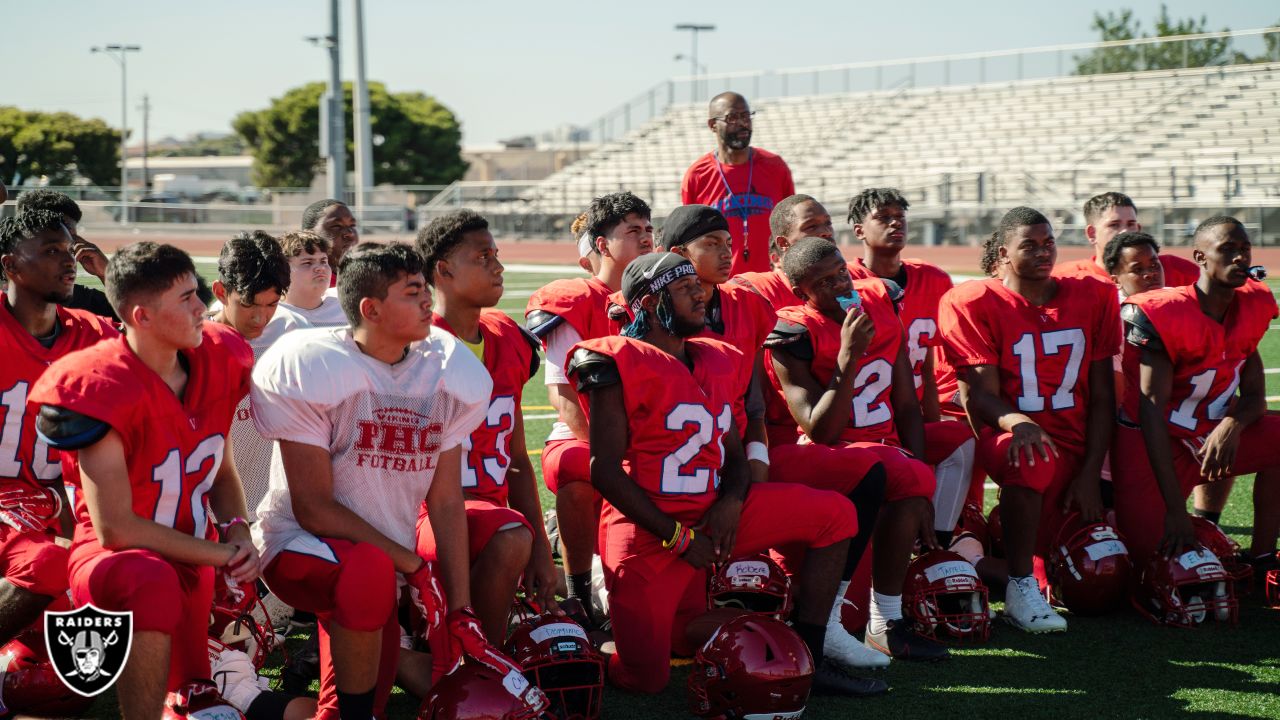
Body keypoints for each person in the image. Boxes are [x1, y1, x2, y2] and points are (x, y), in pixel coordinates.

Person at [568, 251, 883, 697]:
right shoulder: (617, 361)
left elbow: (733, 453)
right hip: (649, 532)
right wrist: (679, 538)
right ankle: (593, 638)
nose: (699, 294)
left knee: (836, 514)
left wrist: (732, 503)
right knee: (647, 680)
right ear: (653, 304)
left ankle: (811, 649)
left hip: (713, 514)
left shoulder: (719, 356)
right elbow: (603, 472)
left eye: (696, 285)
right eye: (683, 289)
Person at [251, 243, 517, 720]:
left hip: (380, 568)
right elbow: (314, 508)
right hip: (299, 545)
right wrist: (411, 564)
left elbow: (446, 500)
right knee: (369, 571)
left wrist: (460, 608)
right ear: (371, 309)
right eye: (413, 293)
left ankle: (249, 707)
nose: (427, 304)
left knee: (352, 702)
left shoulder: (444, 369)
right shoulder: (314, 365)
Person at [31, 242, 258, 718]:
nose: (203, 309)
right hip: (118, 561)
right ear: (142, 316)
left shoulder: (221, 358)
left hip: (193, 556)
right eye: (185, 299)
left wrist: (237, 529)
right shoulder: (98, 384)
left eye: (197, 294)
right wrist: (221, 555)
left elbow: (222, 468)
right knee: (149, 577)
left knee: (198, 702)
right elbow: (118, 529)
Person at [939, 207, 1119, 633]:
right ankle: (1019, 587)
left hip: (1076, 443)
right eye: (1030, 245)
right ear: (1004, 252)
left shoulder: (1093, 294)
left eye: (1049, 242)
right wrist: (1018, 422)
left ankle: (982, 556)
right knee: (1031, 459)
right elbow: (980, 396)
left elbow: (1102, 395)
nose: (1043, 252)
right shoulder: (973, 301)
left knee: (1107, 574)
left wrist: (1092, 472)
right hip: (1013, 438)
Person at [766, 237, 946, 662]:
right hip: (829, 455)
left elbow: (906, 403)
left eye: (841, 274)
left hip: (884, 451)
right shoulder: (794, 331)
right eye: (824, 283)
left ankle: (886, 621)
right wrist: (848, 358)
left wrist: (922, 484)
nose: (839, 286)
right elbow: (820, 429)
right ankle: (831, 624)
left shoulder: (881, 301)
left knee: (918, 472)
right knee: (888, 469)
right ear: (801, 293)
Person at [413, 209, 558, 648]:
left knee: (512, 532)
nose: (498, 266)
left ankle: (463, 645)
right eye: (483, 256)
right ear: (444, 270)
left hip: (491, 517)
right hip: (422, 515)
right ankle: (482, 662)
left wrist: (539, 549)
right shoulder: (415, 345)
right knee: (510, 533)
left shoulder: (507, 339)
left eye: (496, 254)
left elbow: (515, 461)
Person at [1112, 216, 1280, 569]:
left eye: (1244, 250)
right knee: (1146, 557)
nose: (1239, 258)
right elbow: (1151, 413)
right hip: (1154, 443)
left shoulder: (1252, 303)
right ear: (1200, 257)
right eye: (1227, 250)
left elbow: (1254, 397)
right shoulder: (1164, 312)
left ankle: (1262, 557)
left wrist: (1230, 426)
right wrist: (1176, 510)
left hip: (1208, 434)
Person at [525, 192, 651, 619]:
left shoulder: (659, 292)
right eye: (633, 230)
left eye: (649, 228)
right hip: (590, 435)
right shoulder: (576, 299)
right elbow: (564, 399)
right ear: (601, 244)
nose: (646, 237)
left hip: (653, 429)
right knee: (578, 467)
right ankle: (578, 589)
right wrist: (618, 453)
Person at [0, 211, 117, 648]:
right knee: (50, 565)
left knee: (70, 678)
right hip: (6, 496)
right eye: (51, 251)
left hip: (66, 501)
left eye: (69, 250)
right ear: (10, 265)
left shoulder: (94, 333)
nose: (67, 261)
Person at [846, 188, 975, 536]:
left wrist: (930, 421)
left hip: (912, 414)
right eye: (883, 217)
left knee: (959, 440)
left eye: (900, 217)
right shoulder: (843, 283)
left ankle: (941, 541)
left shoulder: (933, 280)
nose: (894, 223)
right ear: (859, 230)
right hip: (862, 421)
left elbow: (930, 363)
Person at [208, 232, 292, 521]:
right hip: (207, 515)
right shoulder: (191, 346)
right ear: (221, 292)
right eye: (248, 304)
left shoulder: (291, 340)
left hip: (271, 517)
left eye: (271, 305)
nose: (260, 318)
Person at [682, 92, 795, 275]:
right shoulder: (697, 175)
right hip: (724, 287)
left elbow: (792, 225)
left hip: (772, 283)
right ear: (712, 125)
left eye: (746, 116)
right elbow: (690, 239)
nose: (743, 123)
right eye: (733, 117)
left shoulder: (775, 167)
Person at [1054, 192, 1198, 286]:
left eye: (1131, 224)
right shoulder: (1067, 277)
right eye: (1114, 225)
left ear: (1139, 229)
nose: (1125, 231)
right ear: (1092, 233)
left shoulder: (1176, 269)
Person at [15, 189, 116, 320]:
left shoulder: (82, 302)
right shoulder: (5, 312)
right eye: (53, 250)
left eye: (71, 248)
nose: (70, 260)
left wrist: (108, 274)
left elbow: (140, 320)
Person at [730, 194, 836, 310]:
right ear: (783, 243)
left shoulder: (847, 280)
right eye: (811, 226)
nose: (826, 232)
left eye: (828, 223)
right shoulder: (755, 290)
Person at [275, 230, 346, 328]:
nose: (321, 268)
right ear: (283, 270)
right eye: (308, 263)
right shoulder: (272, 315)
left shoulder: (346, 307)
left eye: (323, 261)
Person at [301, 199, 359, 286]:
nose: (350, 233)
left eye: (352, 225)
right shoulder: (300, 281)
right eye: (336, 226)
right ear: (309, 233)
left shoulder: (365, 276)